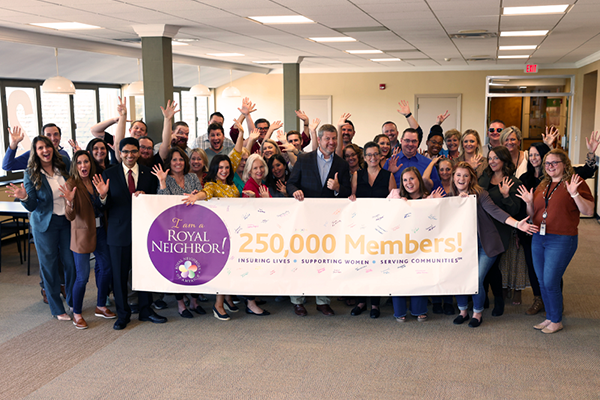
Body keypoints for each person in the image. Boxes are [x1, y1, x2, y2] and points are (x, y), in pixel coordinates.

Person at [452, 162, 538, 328]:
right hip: (462, 247)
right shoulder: (450, 197)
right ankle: (462, 311)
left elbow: (496, 212)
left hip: (486, 244)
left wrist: (517, 224)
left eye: (465, 175)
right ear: (453, 177)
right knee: (460, 277)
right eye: (458, 175)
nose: (461, 178)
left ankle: (477, 313)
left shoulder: (480, 194)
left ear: (471, 179)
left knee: (476, 280)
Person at [517, 149, 594, 334]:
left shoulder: (575, 182)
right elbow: (533, 214)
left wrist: (575, 194)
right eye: (547, 164)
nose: (550, 167)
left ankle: (557, 320)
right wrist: (528, 202)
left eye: (554, 163)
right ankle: (550, 317)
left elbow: (589, 211)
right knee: (542, 281)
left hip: (561, 239)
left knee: (551, 280)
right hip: (538, 237)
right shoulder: (543, 184)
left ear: (564, 164)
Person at [99, 137, 166, 330]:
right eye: (126, 152)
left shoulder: (148, 173)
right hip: (118, 234)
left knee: (145, 273)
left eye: (133, 151)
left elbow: (157, 201)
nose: (130, 155)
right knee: (119, 276)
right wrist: (103, 196)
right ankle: (123, 314)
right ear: (119, 153)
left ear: (139, 152)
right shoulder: (108, 174)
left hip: (144, 231)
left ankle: (146, 310)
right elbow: (102, 205)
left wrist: (147, 197)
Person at [7, 136, 76, 321]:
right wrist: (23, 197)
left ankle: (72, 300)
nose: (45, 150)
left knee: (70, 263)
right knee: (49, 266)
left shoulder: (63, 166)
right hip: (45, 225)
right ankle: (56, 308)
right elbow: (31, 206)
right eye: (40, 148)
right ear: (35, 152)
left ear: (53, 148)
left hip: (66, 221)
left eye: (47, 146)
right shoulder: (30, 172)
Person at [286, 123, 351, 316]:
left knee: (325, 259)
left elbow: (347, 193)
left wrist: (338, 187)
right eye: (327, 139)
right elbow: (291, 183)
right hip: (304, 219)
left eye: (334, 139)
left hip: (328, 222)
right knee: (302, 258)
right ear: (319, 140)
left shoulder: (342, 164)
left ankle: (323, 301)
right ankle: (298, 300)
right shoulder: (304, 159)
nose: (331, 142)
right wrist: (294, 191)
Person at [185, 123, 246, 321]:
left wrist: (242, 132)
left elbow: (236, 153)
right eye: (220, 167)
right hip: (220, 233)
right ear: (214, 168)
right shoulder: (212, 184)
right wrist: (196, 197)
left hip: (236, 230)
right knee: (224, 268)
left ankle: (227, 299)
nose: (224, 170)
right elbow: (206, 192)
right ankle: (218, 304)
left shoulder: (229, 182)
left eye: (227, 167)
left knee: (233, 267)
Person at [60, 150, 115, 329]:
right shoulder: (71, 183)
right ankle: (77, 313)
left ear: (90, 163)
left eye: (86, 162)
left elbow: (103, 205)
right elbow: (70, 216)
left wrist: (103, 195)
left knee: (106, 268)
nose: (83, 166)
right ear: (75, 166)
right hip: (82, 233)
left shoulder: (96, 180)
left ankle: (100, 306)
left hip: (101, 231)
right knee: (82, 277)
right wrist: (69, 202)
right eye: (79, 163)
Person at [151, 147, 207, 318]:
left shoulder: (192, 177)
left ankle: (194, 301)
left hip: (193, 228)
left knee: (196, 263)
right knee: (177, 267)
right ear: (170, 162)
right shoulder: (165, 179)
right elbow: (162, 203)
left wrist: (198, 195)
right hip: (174, 231)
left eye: (181, 159)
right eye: (174, 160)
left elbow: (202, 194)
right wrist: (162, 182)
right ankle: (181, 303)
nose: (178, 163)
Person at [388, 167, 444, 322]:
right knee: (398, 276)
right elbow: (384, 213)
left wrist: (438, 202)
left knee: (420, 275)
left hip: (421, 247)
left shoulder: (430, 198)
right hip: (399, 245)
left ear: (419, 179)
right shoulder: (395, 195)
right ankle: (399, 311)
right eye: (405, 180)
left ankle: (419, 309)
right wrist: (398, 205)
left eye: (412, 179)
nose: (408, 183)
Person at [348, 141, 396, 318]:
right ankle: (361, 302)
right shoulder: (356, 175)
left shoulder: (388, 176)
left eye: (376, 154)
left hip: (380, 228)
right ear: (364, 157)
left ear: (381, 155)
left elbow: (394, 200)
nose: (373, 158)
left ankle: (375, 304)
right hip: (360, 227)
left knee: (375, 265)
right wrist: (351, 197)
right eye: (369, 155)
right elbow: (353, 197)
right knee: (360, 264)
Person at [479, 146, 522, 316]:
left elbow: (515, 211)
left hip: (499, 231)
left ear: (504, 160)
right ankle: (484, 299)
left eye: (496, 158)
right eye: (490, 158)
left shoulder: (513, 182)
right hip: (481, 228)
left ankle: (498, 300)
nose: (492, 162)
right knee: (484, 265)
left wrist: (505, 196)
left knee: (492, 266)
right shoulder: (484, 177)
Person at [517, 142, 551, 315]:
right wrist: (519, 231)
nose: (533, 158)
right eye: (531, 155)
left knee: (551, 267)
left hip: (551, 230)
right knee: (533, 266)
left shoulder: (553, 177)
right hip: (530, 230)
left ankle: (552, 300)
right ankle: (538, 299)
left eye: (537, 154)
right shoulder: (525, 178)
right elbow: (520, 208)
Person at [3, 124, 71, 172]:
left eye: (56, 134)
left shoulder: (64, 154)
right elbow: (7, 165)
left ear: (60, 137)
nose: (53, 138)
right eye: (48, 135)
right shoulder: (33, 154)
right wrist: (13, 144)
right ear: (43, 137)